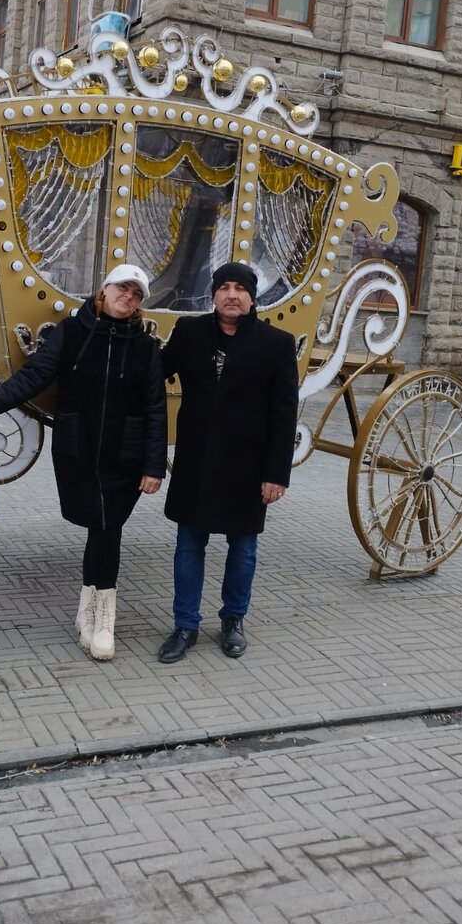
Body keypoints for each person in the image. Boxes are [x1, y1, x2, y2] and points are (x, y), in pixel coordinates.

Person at [0, 264, 166, 661]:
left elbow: (156, 409)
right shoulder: (71, 334)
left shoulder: (145, 348)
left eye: (137, 294)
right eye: (123, 288)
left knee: (108, 527)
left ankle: (102, 617)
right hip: (79, 448)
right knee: (98, 525)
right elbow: (33, 377)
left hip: (126, 453)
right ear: (103, 291)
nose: (129, 297)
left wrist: (154, 466)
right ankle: (88, 611)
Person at [158, 262, 299, 664]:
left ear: (253, 297)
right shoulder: (189, 333)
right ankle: (185, 624)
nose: (231, 295)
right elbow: (155, 373)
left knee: (244, 549)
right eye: (224, 287)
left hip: (248, 467)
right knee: (188, 547)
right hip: (196, 463)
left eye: (240, 288)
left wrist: (276, 473)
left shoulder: (276, 343)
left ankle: (233, 620)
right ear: (214, 294)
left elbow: (283, 414)